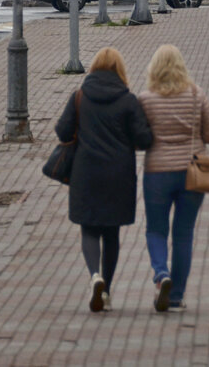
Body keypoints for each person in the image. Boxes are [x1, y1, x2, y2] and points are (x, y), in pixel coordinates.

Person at [54, 47, 153, 313]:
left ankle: (93, 276)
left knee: (89, 228)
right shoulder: (128, 100)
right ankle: (106, 290)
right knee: (111, 233)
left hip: (85, 172)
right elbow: (144, 139)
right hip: (119, 175)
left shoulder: (80, 97)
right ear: (120, 70)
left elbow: (63, 132)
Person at [138, 44, 209, 312]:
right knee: (183, 234)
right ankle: (176, 297)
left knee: (155, 229)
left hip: (157, 173)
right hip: (191, 173)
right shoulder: (196, 95)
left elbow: (140, 137)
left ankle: (162, 275)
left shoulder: (146, 99)